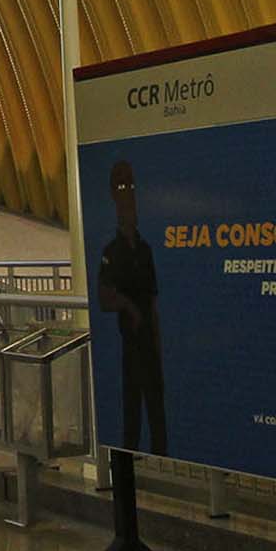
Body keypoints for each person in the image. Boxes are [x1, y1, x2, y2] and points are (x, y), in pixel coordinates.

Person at [97, 160, 167, 455]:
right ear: (113, 193)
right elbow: (104, 298)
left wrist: (157, 340)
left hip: (148, 343)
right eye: (121, 186)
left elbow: (152, 301)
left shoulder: (145, 250)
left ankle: (160, 460)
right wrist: (128, 306)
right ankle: (126, 465)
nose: (127, 194)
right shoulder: (111, 252)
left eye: (131, 186)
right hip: (131, 345)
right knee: (132, 412)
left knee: (156, 409)